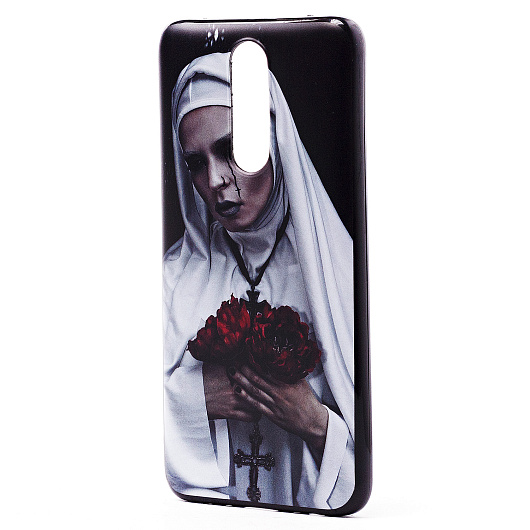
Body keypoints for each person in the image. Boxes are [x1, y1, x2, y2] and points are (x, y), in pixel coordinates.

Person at [163, 52, 354, 509]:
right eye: (195, 162)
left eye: (231, 149)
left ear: (273, 138)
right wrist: (191, 397)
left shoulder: (337, 272)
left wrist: (314, 423)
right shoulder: (173, 279)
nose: (215, 180)